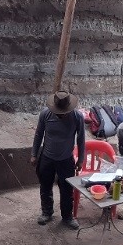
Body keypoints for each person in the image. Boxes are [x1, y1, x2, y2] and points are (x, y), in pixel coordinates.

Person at [30, 91, 86, 230]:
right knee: (45, 185)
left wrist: (81, 160)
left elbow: (81, 139)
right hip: (47, 158)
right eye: (58, 113)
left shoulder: (77, 117)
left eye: (64, 113)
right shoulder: (45, 114)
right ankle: (47, 212)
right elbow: (38, 135)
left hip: (66, 159)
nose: (61, 115)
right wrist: (34, 154)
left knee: (67, 189)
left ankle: (67, 216)